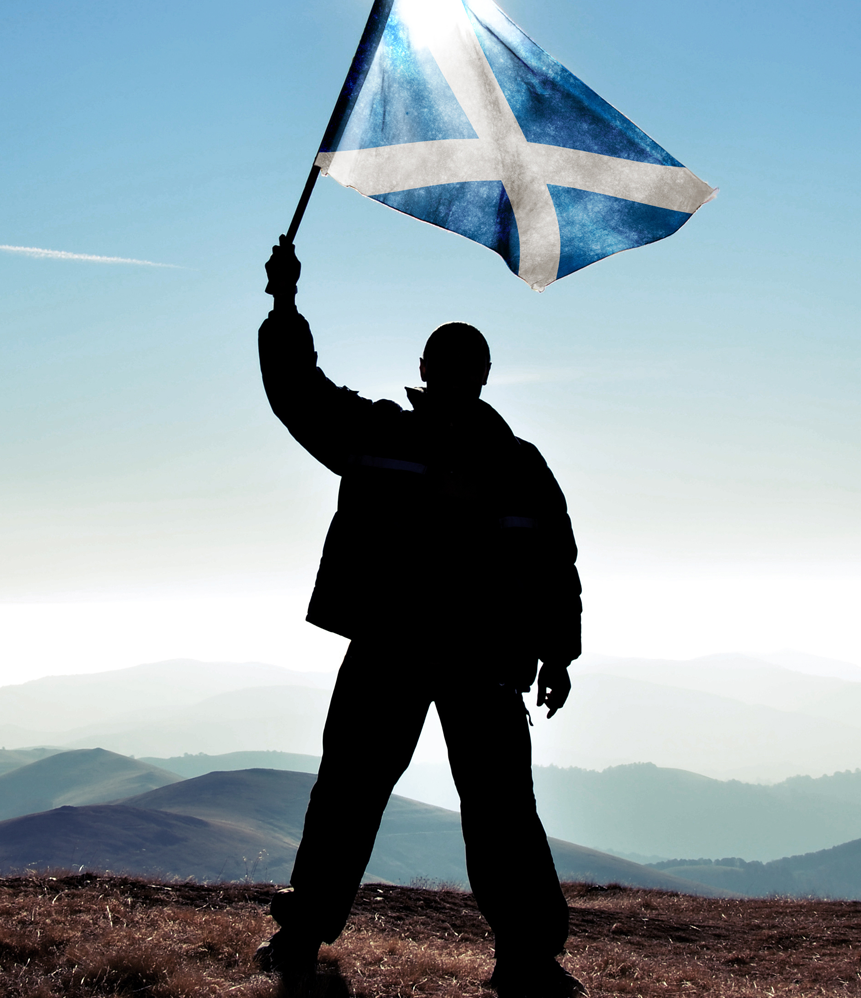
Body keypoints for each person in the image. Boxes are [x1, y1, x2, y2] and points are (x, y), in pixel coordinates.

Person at [253, 236, 584, 997]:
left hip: (459, 658)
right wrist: (282, 304)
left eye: (468, 364)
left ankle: (524, 958)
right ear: (432, 370)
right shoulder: (400, 440)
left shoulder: (503, 463)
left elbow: (554, 567)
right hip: (415, 653)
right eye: (451, 362)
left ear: (470, 374)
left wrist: (558, 654)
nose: (459, 374)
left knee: (477, 810)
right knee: (361, 796)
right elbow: (297, 391)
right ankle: (305, 938)